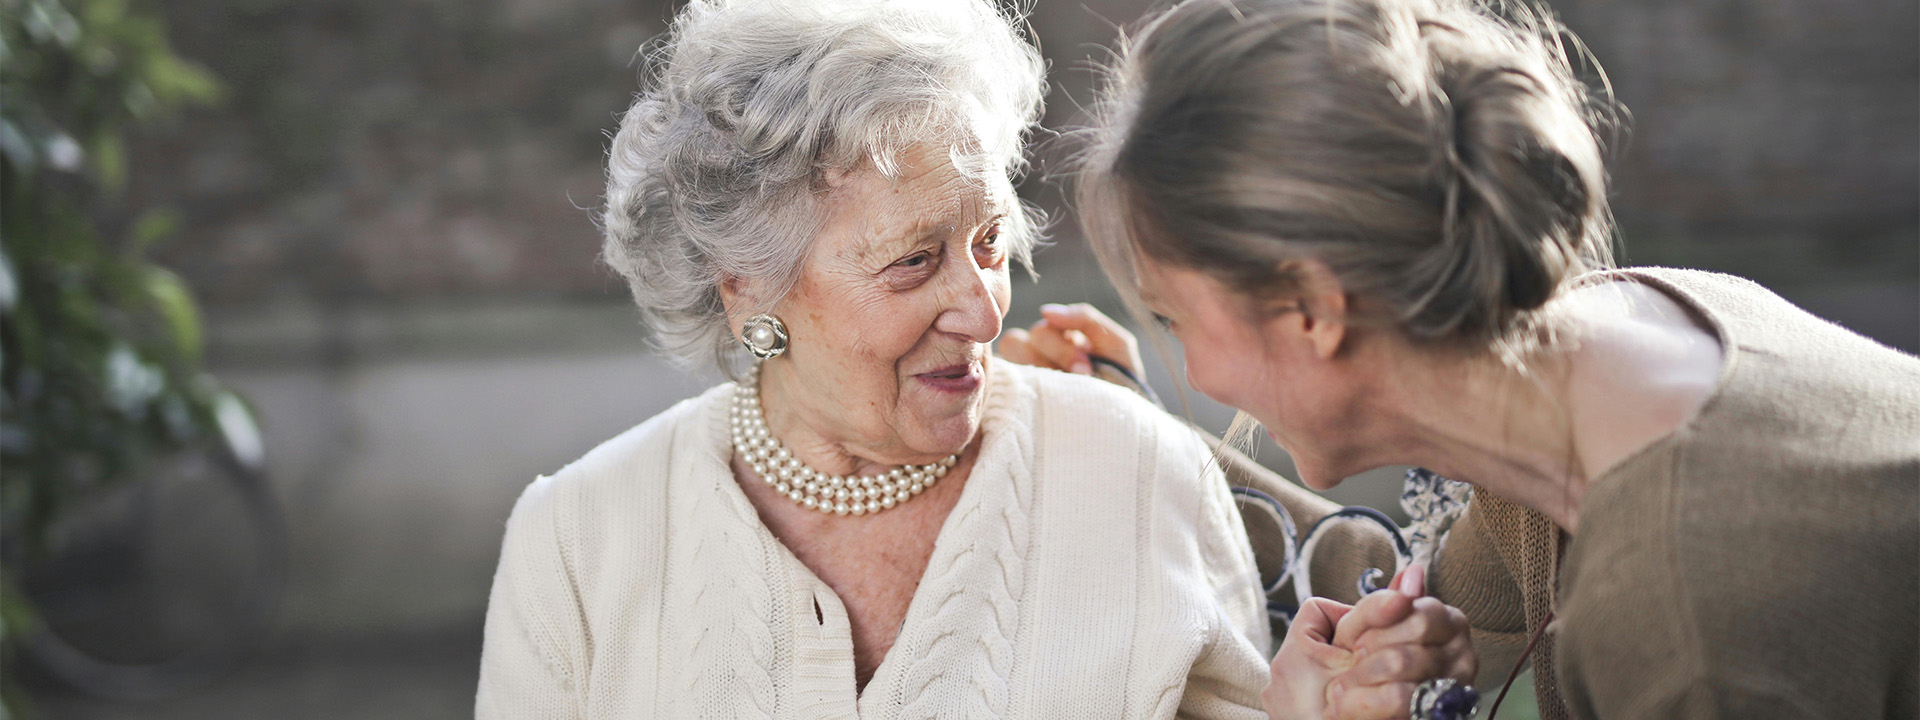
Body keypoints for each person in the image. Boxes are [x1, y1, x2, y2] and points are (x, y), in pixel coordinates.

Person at [475, 1, 1475, 718]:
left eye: (990, 245)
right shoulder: (576, 539)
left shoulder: (1132, 469)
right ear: (747, 286)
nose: (982, 305)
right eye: (914, 263)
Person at [1042, 0, 1920, 717]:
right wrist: (1132, 432)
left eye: (1176, 319)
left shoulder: (1690, 625)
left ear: (1311, 308)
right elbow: (1395, 586)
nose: (1195, 373)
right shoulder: (1604, 353)